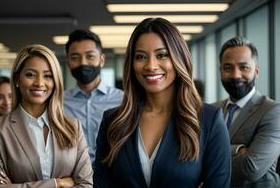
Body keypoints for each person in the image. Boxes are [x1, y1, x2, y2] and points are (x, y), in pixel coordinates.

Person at [93, 18, 231, 188]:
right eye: (141, 56)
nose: (151, 66)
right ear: (131, 64)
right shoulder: (112, 121)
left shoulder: (209, 120)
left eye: (162, 55)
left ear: (179, 59)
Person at [0, 44, 93, 187]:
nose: (39, 83)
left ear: (55, 81)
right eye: (30, 75)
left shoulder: (73, 126)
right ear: (16, 79)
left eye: (48, 76)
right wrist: (57, 183)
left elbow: (85, 184)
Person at [213, 36, 280, 187]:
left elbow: (252, 168)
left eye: (244, 67)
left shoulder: (273, 111)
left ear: (256, 71)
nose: (236, 75)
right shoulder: (211, 110)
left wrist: (210, 151)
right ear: (220, 71)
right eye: (228, 68)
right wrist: (238, 149)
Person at [64, 29, 124, 162]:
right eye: (75, 58)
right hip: (73, 177)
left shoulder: (123, 100)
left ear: (102, 60)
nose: (83, 63)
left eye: (90, 56)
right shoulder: (58, 103)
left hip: (114, 175)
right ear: (68, 62)